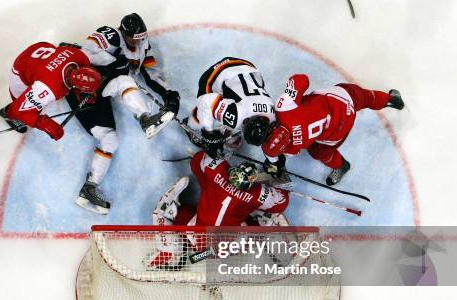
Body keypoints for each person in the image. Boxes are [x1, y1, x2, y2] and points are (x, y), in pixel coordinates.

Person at [73, 12, 181, 214]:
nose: (137, 42)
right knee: (124, 83)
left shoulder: (143, 44)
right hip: (82, 88)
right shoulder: (110, 35)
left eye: (141, 38)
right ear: (124, 32)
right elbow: (82, 57)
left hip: (103, 90)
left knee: (111, 139)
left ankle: (89, 188)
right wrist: (112, 62)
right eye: (134, 38)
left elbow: (149, 73)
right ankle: (146, 120)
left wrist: (168, 93)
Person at [148, 150, 290, 269]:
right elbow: (282, 202)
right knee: (249, 231)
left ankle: (171, 251)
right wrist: (275, 185)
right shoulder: (256, 193)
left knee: (174, 212)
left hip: (200, 241)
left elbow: (197, 161)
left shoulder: (219, 171)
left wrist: (208, 178)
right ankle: (263, 225)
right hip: (221, 249)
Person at [259, 74, 405, 185]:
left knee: (319, 151)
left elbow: (275, 155)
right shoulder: (284, 106)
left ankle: (341, 166)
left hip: (338, 129)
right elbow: (301, 79)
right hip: (341, 98)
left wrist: (274, 165)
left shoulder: (291, 149)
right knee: (366, 97)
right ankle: (392, 100)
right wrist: (290, 88)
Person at [0, 41, 102, 141]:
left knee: (41, 86)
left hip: (40, 48)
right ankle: (7, 115)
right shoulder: (48, 88)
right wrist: (44, 123)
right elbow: (17, 110)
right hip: (20, 69)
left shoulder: (81, 57)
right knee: (26, 109)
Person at [185, 56, 276, 159]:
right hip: (220, 71)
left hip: (250, 69)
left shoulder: (273, 113)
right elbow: (206, 101)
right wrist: (208, 134)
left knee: (231, 115)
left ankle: (224, 123)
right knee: (203, 113)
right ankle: (192, 122)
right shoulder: (237, 116)